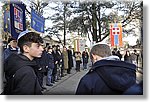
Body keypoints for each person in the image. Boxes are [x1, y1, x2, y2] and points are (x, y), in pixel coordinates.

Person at [3, 30, 44, 95]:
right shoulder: (26, 72)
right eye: (38, 46)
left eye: (42, 46)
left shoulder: (15, 62)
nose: (42, 49)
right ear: (26, 48)